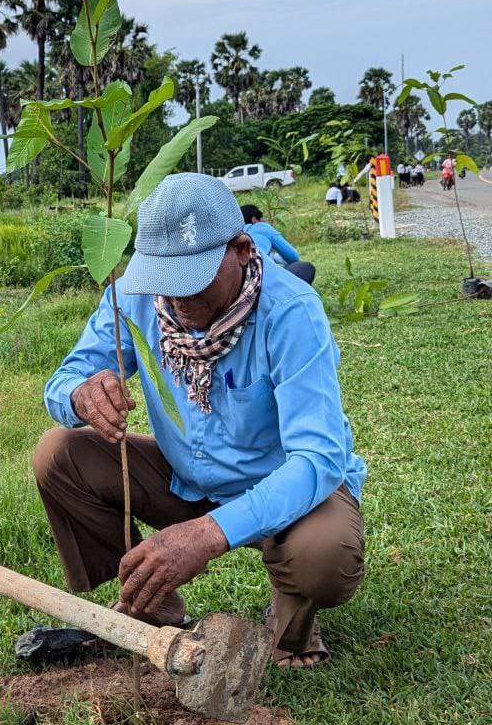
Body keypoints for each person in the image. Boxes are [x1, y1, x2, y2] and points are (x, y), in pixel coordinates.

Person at [33, 173, 365, 682]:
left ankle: (290, 621)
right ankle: (151, 600)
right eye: (165, 279)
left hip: (285, 493)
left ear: (241, 250)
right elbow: (64, 379)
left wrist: (208, 535)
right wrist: (80, 394)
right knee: (60, 454)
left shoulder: (291, 311)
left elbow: (317, 460)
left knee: (324, 555)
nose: (178, 298)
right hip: (184, 477)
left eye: (194, 279)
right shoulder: (136, 298)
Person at [239, 204, 315, 285]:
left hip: (241, 285)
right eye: (261, 219)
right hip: (261, 282)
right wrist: (275, 257)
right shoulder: (260, 227)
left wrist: (272, 256)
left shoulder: (236, 235)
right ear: (254, 219)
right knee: (306, 268)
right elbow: (293, 257)